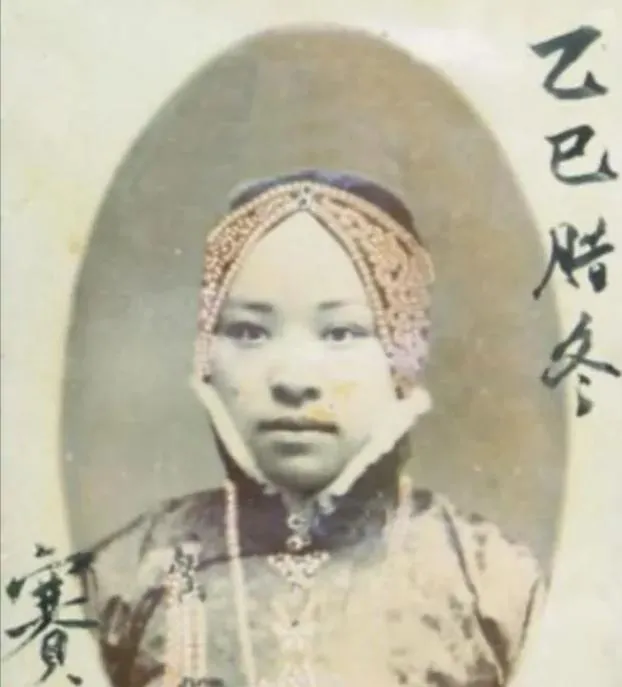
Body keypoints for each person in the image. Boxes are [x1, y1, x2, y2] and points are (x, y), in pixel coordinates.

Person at [83, 170, 545, 687]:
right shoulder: (125, 581)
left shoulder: (493, 586)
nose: (294, 379)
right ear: (208, 354)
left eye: (341, 333)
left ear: (402, 357)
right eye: (249, 331)